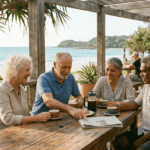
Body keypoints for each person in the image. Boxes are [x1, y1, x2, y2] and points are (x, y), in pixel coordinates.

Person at [0, 54, 51, 129]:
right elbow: (8, 119)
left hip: (22, 132)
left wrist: (41, 116)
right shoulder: (2, 90)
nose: (30, 74)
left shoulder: (21, 88)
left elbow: (25, 115)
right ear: (14, 71)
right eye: (27, 70)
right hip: (6, 136)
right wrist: (37, 118)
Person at [32, 52, 87, 120]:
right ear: (55, 64)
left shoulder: (70, 77)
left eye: (69, 67)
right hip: (39, 120)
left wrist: (80, 101)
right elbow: (49, 101)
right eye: (63, 67)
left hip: (60, 118)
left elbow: (78, 96)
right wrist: (70, 109)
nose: (66, 71)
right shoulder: (43, 78)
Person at [113, 55, 150, 150]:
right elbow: (135, 104)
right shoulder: (146, 87)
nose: (140, 74)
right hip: (144, 130)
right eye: (141, 71)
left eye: (144, 71)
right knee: (118, 142)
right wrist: (117, 107)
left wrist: (142, 140)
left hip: (148, 135)